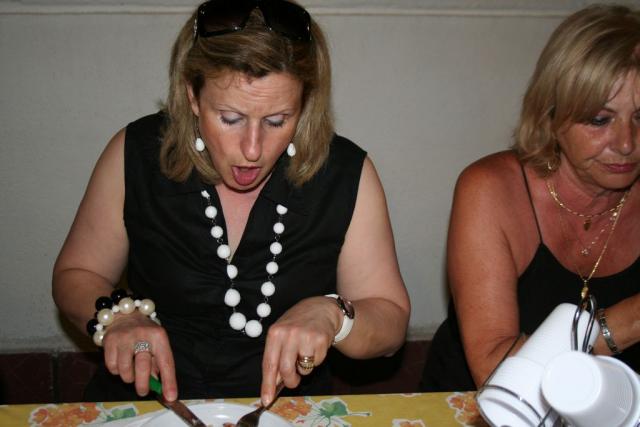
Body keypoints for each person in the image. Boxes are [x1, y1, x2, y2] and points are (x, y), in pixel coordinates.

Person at [52, 0, 410, 405]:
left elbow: (390, 323)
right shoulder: (135, 152)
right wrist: (120, 319)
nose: (252, 149)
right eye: (230, 118)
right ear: (192, 95)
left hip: (287, 411)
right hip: (145, 401)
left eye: (277, 120)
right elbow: (77, 273)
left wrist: (333, 316)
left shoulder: (345, 172)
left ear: (305, 104)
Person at [421, 4, 640, 392]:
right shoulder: (492, 190)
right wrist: (622, 324)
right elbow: (495, 372)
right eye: (599, 120)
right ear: (550, 117)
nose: (626, 143)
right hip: (481, 409)